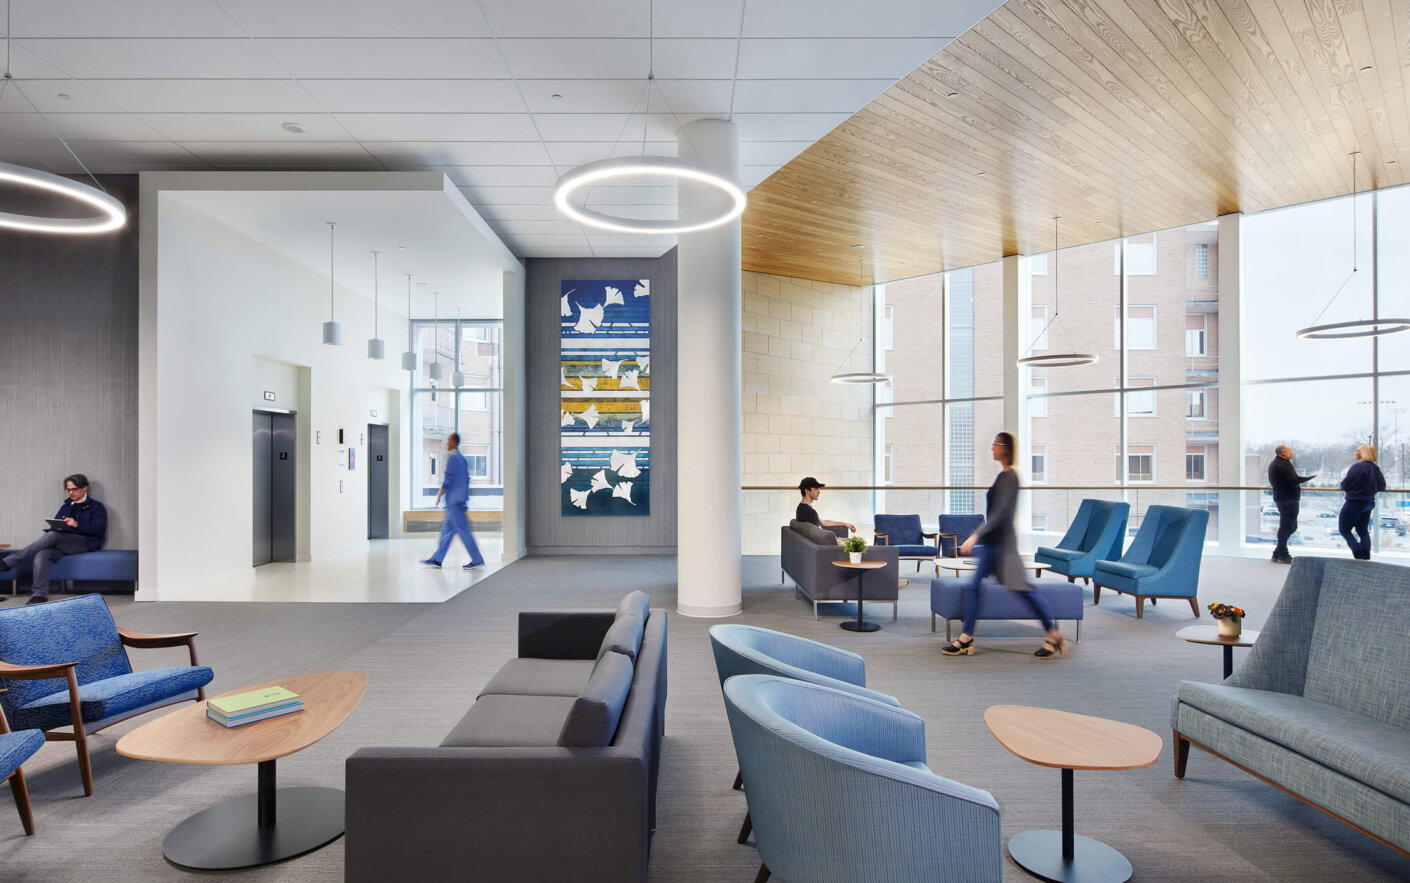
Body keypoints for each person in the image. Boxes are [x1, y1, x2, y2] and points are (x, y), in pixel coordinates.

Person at [942, 432, 1067, 659]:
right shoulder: (1003, 476)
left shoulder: (1010, 478)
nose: (991, 448)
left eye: (995, 445)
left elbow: (1000, 515)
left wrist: (974, 536)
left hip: (1003, 548)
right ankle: (966, 638)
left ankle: (1052, 634)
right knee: (974, 588)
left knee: (1024, 590)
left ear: (1005, 448)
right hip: (993, 546)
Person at [1, 474, 107, 604]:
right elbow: (56, 526)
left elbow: (98, 531)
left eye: (74, 489)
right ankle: (39, 595)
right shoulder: (66, 506)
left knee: (52, 536)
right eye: (68, 490)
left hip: (85, 543)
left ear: (84, 488)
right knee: (43, 554)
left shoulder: (97, 507)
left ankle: (9, 562)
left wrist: (77, 524)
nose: (71, 493)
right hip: (63, 544)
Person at [419, 433, 485, 571]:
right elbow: (466, 480)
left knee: (463, 531)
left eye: (449, 441)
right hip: (457, 501)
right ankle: (437, 558)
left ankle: (477, 558)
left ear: (454, 442)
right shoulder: (462, 459)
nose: (447, 443)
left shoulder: (453, 458)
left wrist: (439, 495)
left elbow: (448, 480)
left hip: (455, 502)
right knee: (446, 531)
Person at [1267, 445, 1316, 564]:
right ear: (1283, 452)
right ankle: (1283, 554)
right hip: (1288, 499)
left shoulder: (1277, 464)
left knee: (1291, 526)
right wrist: (1313, 477)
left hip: (1283, 498)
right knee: (1287, 527)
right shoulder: (1283, 464)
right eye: (1290, 450)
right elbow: (1295, 479)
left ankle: (1278, 552)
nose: (1292, 453)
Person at [1339, 443, 1386, 560]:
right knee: (1362, 530)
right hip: (1368, 503)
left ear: (1363, 453)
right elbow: (1382, 486)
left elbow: (1345, 485)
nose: (1356, 452)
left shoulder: (1357, 467)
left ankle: (1358, 554)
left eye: (1358, 450)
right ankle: (1365, 556)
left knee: (1344, 529)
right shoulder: (1375, 469)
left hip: (1354, 502)